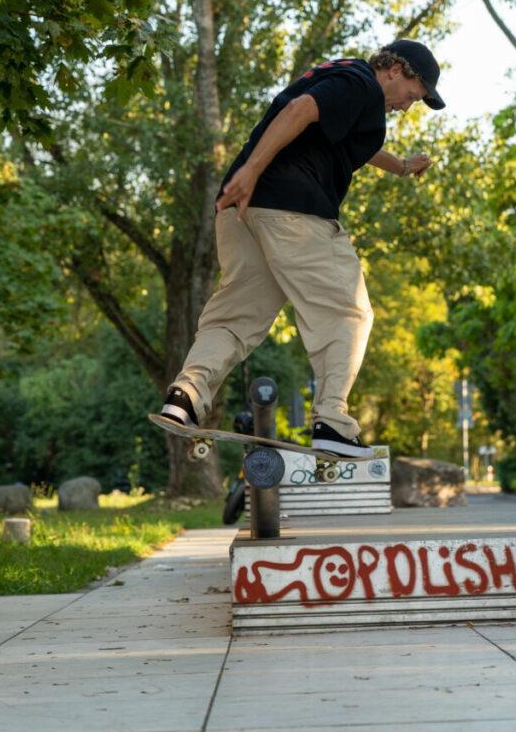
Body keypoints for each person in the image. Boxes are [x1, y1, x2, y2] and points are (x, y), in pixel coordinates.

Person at [160, 39, 445, 457]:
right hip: (291, 209)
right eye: (412, 95)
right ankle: (331, 418)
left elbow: (353, 145)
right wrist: (252, 171)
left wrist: (401, 166)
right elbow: (301, 112)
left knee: (237, 315)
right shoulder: (361, 84)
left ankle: (186, 395)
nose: (407, 106)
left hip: (242, 210)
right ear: (397, 70)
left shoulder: (345, 80)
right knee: (347, 310)